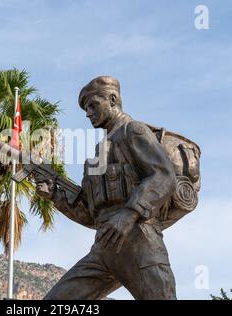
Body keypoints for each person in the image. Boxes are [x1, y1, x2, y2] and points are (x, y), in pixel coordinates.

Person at [35, 76, 177, 300]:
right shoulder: (96, 154)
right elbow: (90, 214)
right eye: (85, 109)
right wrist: (54, 195)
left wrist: (129, 214)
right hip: (103, 248)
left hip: (139, 240)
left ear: (112, 99)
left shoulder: (134, 131)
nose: (88, 113)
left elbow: (164, 175)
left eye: (92, 105)